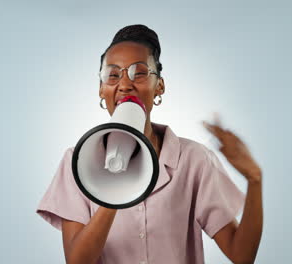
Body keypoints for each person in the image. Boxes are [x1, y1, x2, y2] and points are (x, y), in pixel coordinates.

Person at [36, 24, 263, 264]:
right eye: (113, 75)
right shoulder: (77, 162)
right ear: (101, 89)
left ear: (160, 86)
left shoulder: (194, 159)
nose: (124, 84)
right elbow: (77, 262)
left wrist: (254, 179)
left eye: (140, 72)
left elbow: (242, 255)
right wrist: (114, 191)